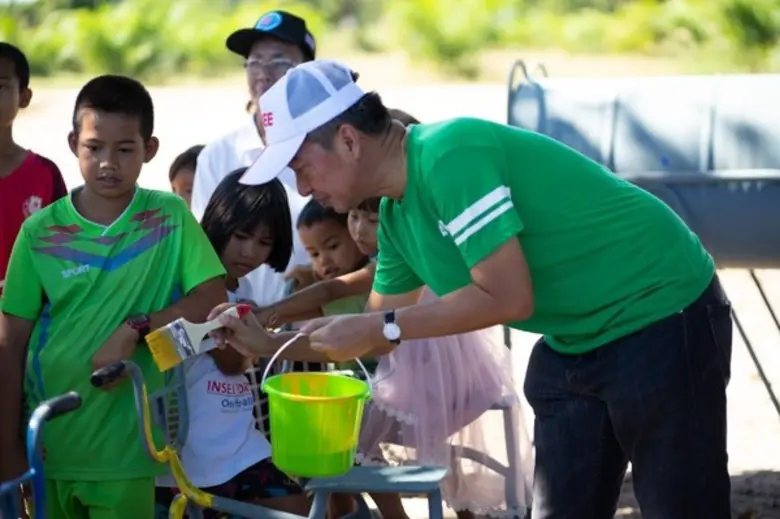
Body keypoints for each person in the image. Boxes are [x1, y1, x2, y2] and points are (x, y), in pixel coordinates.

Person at [227, 59, 734, 519]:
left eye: (301, 167)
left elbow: (507, 298)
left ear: (349, 140)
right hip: (574, 341)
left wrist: (378, 325)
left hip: (663, 311)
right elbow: (374, 334)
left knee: (681, 504)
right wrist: (269, 345)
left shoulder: (449, 155)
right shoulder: (396, 217)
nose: (303, 190)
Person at [0, 74, 227, 519]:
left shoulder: (169, 217)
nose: (109, 162)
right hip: (48, 444)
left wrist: (136, 328)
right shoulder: (39, 232)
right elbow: (10, 344)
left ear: (151, 149)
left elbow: (211, 302)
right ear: (73, 144)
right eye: (94, 147)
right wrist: (8, 447)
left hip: (130, 449)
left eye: (125, 149)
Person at [253, 193, 533, 518]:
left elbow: (332, 295)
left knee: (351, 432)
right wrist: (273, 310)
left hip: (432, 391)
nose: (360, 230)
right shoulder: (407, 259)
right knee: (364, 436)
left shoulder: (397, 264)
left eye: (373, 221)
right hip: (462, 384)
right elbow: (331, 289)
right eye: (354, 217)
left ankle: (389, 515)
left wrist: (268, 319)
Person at [155, 169, 310, 518]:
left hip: (239, 441)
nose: (250, 251)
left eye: (264, 242)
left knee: (295, 505)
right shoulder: (188, 281)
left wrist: (248, 339)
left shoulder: (243, 288)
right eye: (241, 235)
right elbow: (231, 360)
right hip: (194, 450)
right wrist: (247, 340)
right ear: (219, 221)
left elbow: (242, 359)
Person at [191, 10, 316, 306]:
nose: (263, 72)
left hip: (314, 320)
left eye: (279, 61)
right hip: (234, 327)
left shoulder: (326, 151)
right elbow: (203, 248)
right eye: (254, 61)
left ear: (307, 71)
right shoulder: (218, 156)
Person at [0, 42, 67, 297]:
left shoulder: (45, 174)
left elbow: (63, 253)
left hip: (30, 314)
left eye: (0, 86)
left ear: (24, 96)